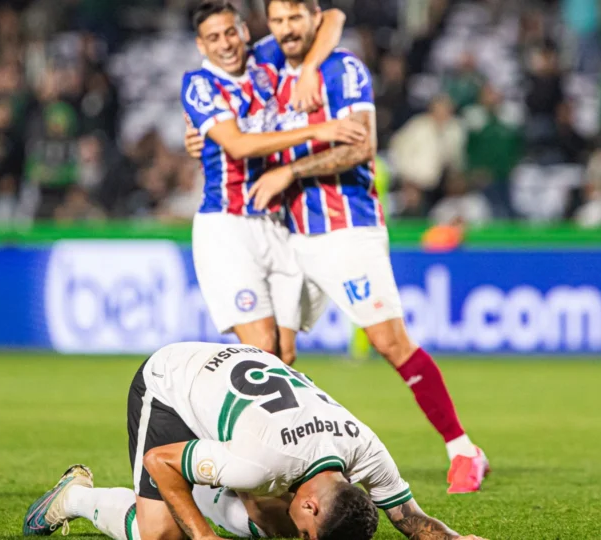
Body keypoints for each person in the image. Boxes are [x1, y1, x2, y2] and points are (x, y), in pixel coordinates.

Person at [190, 0, 489, 494]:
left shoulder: (342, 69)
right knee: (275, 357)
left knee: (390, 342)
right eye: (279, 20)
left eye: (295, 19)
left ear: (312, 18)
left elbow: (360, 147)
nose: (287, 29)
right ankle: (283, 468)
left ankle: (463, 450)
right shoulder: (263, 66)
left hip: (344, 227)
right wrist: (200, 136)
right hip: (284, 232)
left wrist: (292, 168)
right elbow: (232, 121)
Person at [23, 342, 487, 540]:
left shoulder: (366, 449)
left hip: (241, 399)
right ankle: (77, 498)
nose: (303, 536)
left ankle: (214, 492)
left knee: (274, 521)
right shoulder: (259, 464)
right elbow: (159, 461)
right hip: (172, 382)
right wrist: (203, 536)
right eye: (310, 533)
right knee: (162, 533)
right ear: (313, 506)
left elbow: (410, 520)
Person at [182, 1, 364, 365]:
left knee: (285, 354)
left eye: (231, 32)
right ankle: (211, 411)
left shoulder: (264, 60)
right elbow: (238, 144)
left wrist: (310, 67)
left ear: (245, 32)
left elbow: (333, 17)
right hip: (227, 226)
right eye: (213, 38)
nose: (225, 44)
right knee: (263, 348)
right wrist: (316, 130)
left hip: (276, 221)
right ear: (202, 46)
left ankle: (269, 420)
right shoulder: (199, 84)